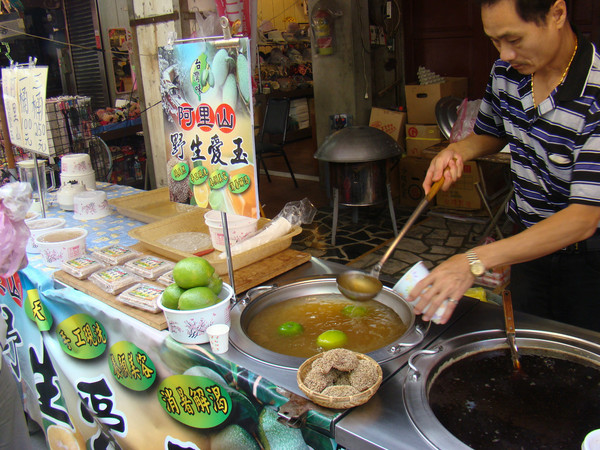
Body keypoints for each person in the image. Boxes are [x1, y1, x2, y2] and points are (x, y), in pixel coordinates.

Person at [408, 0, 600, 332]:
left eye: (514, 39)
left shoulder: (595, 94)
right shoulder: (507, 72)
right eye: (495, 41)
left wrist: (473, 262)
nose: (504, 54)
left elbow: (583, 218)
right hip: (525, 244)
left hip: (589, 261)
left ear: (557, 14)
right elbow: (492, 133)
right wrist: (460, 150)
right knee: (524, 339)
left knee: (580, 361)